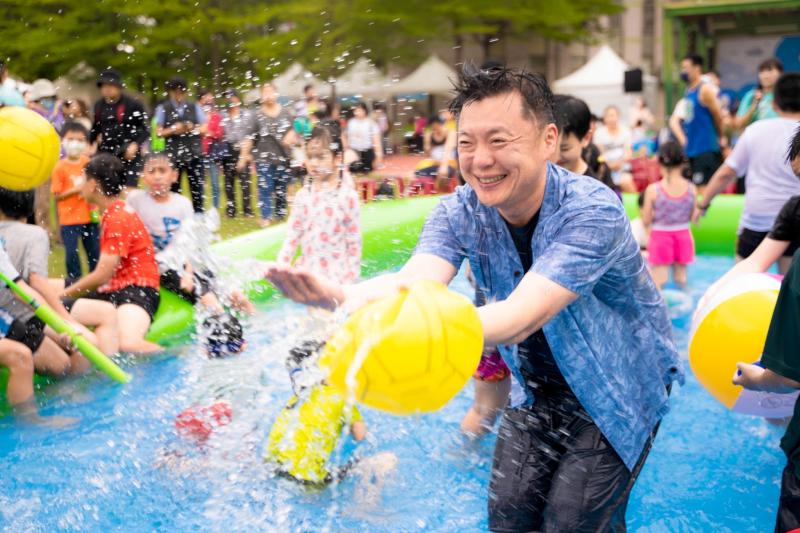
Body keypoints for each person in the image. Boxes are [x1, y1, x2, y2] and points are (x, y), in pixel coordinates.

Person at [264, 65, 681, 530]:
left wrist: (418, 328)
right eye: (466, 142)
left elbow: (521, 317)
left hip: (616, 389)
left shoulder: (593, 211)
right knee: (507, 517)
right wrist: (342, 295)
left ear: (547, 140)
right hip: (536, 391)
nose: (480, 159)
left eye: (499, 140)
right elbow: (416, 283)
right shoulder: (459, 210)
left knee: (573, 521)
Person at [695, 73, 800, 273]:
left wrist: (703, 203)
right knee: (788, 286)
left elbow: (727, 173)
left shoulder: (756, 131)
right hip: (796, 219)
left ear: (774, 103)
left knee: (741, 281)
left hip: (757, 219)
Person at [128, 152, 254, 314]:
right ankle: (224, 325)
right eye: (151, 172)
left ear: (174, 175)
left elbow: (189, 243)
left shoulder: (182, 204)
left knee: (237, 296)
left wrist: (188, 274)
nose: (157, 177)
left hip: (185, 262)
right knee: (211, 302)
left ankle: (256, 320)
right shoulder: (136, 200)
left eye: (162, 171)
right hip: (161, 266)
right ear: (143, 176)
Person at [61, 154, 162, 354]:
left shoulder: (118, 217)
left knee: (127, 344)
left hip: (137, 289)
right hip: (114, 285)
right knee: (46, 287)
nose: (79, 184)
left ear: (93, 184)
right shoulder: (112, 211)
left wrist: (62, 296)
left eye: (83, 178)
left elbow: (102, 275)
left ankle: (177, 357)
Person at [265, 340, 397, 489]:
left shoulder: (299, 394)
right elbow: (360, 435)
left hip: (274, 469)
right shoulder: (342, 398)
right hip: (309, 481)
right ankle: (363, 509)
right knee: (387, 461)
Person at [697, 126, 800, 311]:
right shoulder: (794, 211)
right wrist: (713, 293)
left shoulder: (754, 132)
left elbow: (726, 172)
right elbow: (755, 262)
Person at [0, 190, 95, 378]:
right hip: (26, 313)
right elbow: (36, 282)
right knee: (87, 344)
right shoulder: (35, 234)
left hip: (14, 312)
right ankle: (75, 391)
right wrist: (65, 322)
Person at [277, 127, 361, 285]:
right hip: (309, 274)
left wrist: (352, 279)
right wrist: (282, 265)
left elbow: (354, 242)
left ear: (337, 158)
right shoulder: (303, 196)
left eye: (321, 157)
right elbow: (293, 235)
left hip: (338, 277)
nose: (314, 163)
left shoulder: (348, 197)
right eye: (309, 156)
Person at [640, 141, 698, 289]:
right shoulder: (691, 189)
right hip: (683, 235)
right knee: (681, 279)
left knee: (659, 282)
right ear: (682, 160)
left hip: (660, 237)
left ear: (660, 162)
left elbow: (646, 220)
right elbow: (693, 217)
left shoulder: (653, 190)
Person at [238, 83, 297, 227]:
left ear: (276, 94)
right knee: (265, 187)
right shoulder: (256, 115)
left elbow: (295, 130)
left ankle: (280, 216)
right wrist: (242, 157)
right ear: (261, 96)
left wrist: (292, 136)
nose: (268, 94)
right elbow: (249, 138)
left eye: (271, 91)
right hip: (263, 158)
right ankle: (266, 217)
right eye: (265, 92)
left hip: (282, 157)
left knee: (281, 189)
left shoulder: (286, 113)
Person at [50, 122, 100, 284]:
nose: (75, 143)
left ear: (86, 142)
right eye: (71, 139)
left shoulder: (89, 163)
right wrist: (76, 189)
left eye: (80, 140)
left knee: (94, 252)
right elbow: (56, 195)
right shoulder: (59, 167)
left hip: (90, 217)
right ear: (63, 140)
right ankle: (75, 282)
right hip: (69, 219)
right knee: (72, 253)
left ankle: (96, 282)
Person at [669, 53, 723, 188]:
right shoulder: (688, 91)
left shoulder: (705, 90)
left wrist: (721, 137)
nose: (683, 71)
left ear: (696, 68)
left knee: (703, 189)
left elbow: (718, 115)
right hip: (692, 150)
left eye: (686, 68)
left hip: (705, 149)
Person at [90, 68, 150, 188]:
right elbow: (95, 128)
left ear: (119, 86)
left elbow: (145, 129)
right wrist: (90, 143)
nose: (107, 88)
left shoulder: (133, 104)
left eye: (111, 85)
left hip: (129, 155)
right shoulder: (99, 105)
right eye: (104, 85)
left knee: (128, 190)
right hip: (106, 154)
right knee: (108, 189)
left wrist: (135, 145)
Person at [155, 77, 207, 213]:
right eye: (175, 92)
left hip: (194, 154)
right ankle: (174, 216)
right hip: (173, 156)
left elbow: (204, 129)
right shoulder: (163, 108)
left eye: (181, 92)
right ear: (171, 92)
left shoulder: (194, 106)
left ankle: (198, 217)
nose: (178, 95)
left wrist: (191, 127)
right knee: (173, 190)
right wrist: (173, 129)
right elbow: (158, 132)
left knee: (197, 190)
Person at [552, 94, 615, 190]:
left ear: (586, 138)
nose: (555, 156)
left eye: (564, 148)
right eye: (549, 145)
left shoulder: (593, 191)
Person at [219, 89, 253, 218]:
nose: (229, 100)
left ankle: (247, 210)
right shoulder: (223, 115)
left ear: (237, 99)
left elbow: (251, 134)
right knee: (228, 182)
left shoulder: (247, 114)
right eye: (227, 98)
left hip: (243, 147)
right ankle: (231, 209)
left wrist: (247, 154)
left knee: (245, 181)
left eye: (231, 97)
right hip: (228, 149)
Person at [732, 58, 783, 133]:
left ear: (780, 73)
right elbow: (738, 124)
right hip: (757, 140)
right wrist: (753, 107)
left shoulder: (786, 95)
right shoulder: (751, 95)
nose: (765, 76)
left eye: (769, 70)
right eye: (762, 71)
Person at [592, 105, 634, 192]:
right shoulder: (599, 133)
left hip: (622, 167)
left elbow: (629, 152)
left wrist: (619, 163)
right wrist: (609, 165)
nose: (611, 119)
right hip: (605, 167)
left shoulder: (626, 131)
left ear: (618, 116)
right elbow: (599, 154)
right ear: (604, 118)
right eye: (609, 116)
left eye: (613, 115)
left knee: (627, 181)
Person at [199, 89, 224, 211]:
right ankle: (201, 206)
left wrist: (207, 133)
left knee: (214, 181)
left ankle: (215, 206)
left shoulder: (216, 116)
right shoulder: (197, 115)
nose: (208, 100)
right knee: (200, 182)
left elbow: (219, 133)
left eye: (210, 98)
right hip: (199, 152)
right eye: (206, 98)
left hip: (212, 152)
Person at [344, 101, 383, 175]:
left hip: (367, 152)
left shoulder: (371, 123)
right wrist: (346, 149)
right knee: (353, 173)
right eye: (355, 110)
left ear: (364, 110)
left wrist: (379, 156)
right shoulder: (351, 123)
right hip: (354, 152)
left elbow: (376, 141)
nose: (357, 112)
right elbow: (345, 137)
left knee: (367, 174)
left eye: (359, 110)